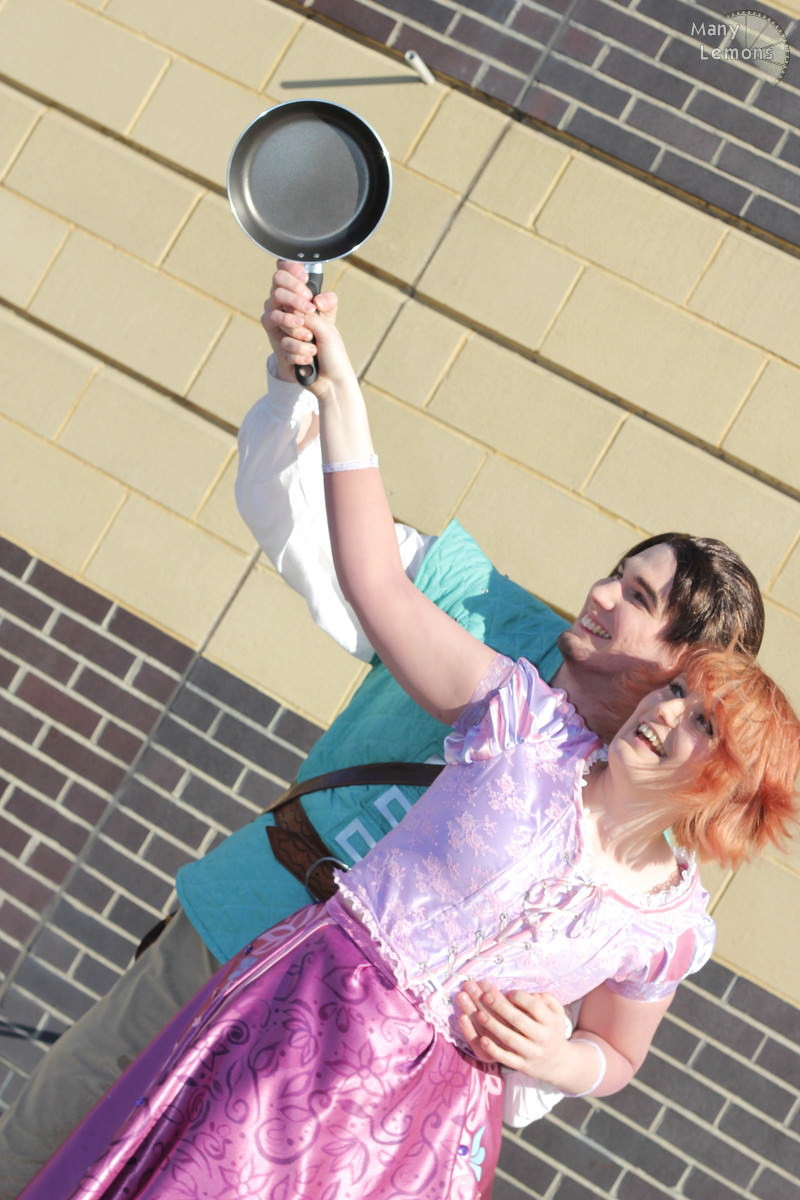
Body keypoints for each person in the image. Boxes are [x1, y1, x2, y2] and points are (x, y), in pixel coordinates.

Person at [18, 287, 800, 1200]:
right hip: (245, 931)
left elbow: (586, 1043)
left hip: (372, 1104)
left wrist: (547, 1054)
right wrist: (308, 384)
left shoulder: (654, 893)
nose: (598, 595)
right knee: (56, 1141)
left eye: (637, 600)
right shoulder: (491, 643)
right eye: (617, 573)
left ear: (693, 673)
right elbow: (340, 548)